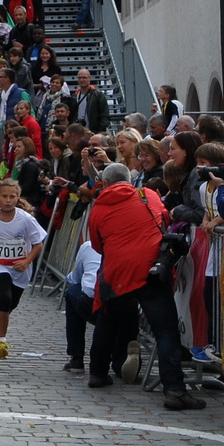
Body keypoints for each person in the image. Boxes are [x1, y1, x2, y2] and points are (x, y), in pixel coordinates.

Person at [85, 163, 202, 410]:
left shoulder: (98, 208)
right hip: (150, 268)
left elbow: (96, 244)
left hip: (116, 270)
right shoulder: (147, 194)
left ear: (105, 184)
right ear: (129, 180)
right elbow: (164, 219)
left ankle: (97, 372)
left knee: (108, 319)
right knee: (166, 330)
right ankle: (174, 389)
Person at [0, 180, 45, 359]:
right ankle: (2, 341)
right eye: (4, 196)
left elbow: (38, 244)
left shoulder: (26, 219)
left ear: (17, 198)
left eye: (12, 196)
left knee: (11, 304)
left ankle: (2, 325)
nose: (8, 200)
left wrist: (27, 261)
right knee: (4, 297)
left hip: (21, 269)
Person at [62, 237, 101, 375]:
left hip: (94, 299)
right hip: (125, 299)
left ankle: (76, 357)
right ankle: (122, 360)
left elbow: (76, 277)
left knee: (72, 293)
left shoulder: (89, 246)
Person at [70, 68, 110, 134]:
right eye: (79, 78)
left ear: (89, 78)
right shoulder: (74, 96)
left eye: (84, 78)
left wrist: (100, 131)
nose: (81, 80)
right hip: (78, 133)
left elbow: (105, 115)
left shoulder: (98, 95)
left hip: (94, 132)